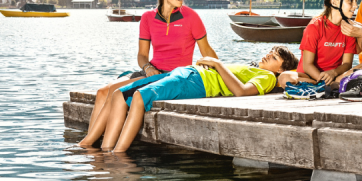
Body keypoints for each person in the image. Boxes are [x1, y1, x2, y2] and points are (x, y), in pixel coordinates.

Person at [79, 0, 217, 148]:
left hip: (171, 75)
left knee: (115, 93)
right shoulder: (147, 18)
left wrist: (223, 73)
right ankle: (91, 144)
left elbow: (207, 50)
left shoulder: (191, 17)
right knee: (102, 92)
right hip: (150, 71)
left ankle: (89, 145)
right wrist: (147, 68)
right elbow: (142, 55)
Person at [96, 46, 298, 153]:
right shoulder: (255, 69)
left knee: (139, 96)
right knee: (119, 94)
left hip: (196, 81)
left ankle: (117, 155)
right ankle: (103, 150)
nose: (267, 56)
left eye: (274, 58)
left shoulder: (267, 76)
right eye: (269, 53)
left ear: (281, 69)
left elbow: (242, 91)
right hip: (188, 72)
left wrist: (217, 64)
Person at [277, 0, 362, 88]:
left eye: (356, 1)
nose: (355, 6)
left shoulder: (349, 28)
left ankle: (324, 87)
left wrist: (333, 73)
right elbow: (307, 65)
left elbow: (347, 64)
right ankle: (327, 86)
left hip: (334, 76)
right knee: (284, 77)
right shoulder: (314, 27)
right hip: (310, 76)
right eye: (351, 1)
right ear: (334, 2)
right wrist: (323, 81)